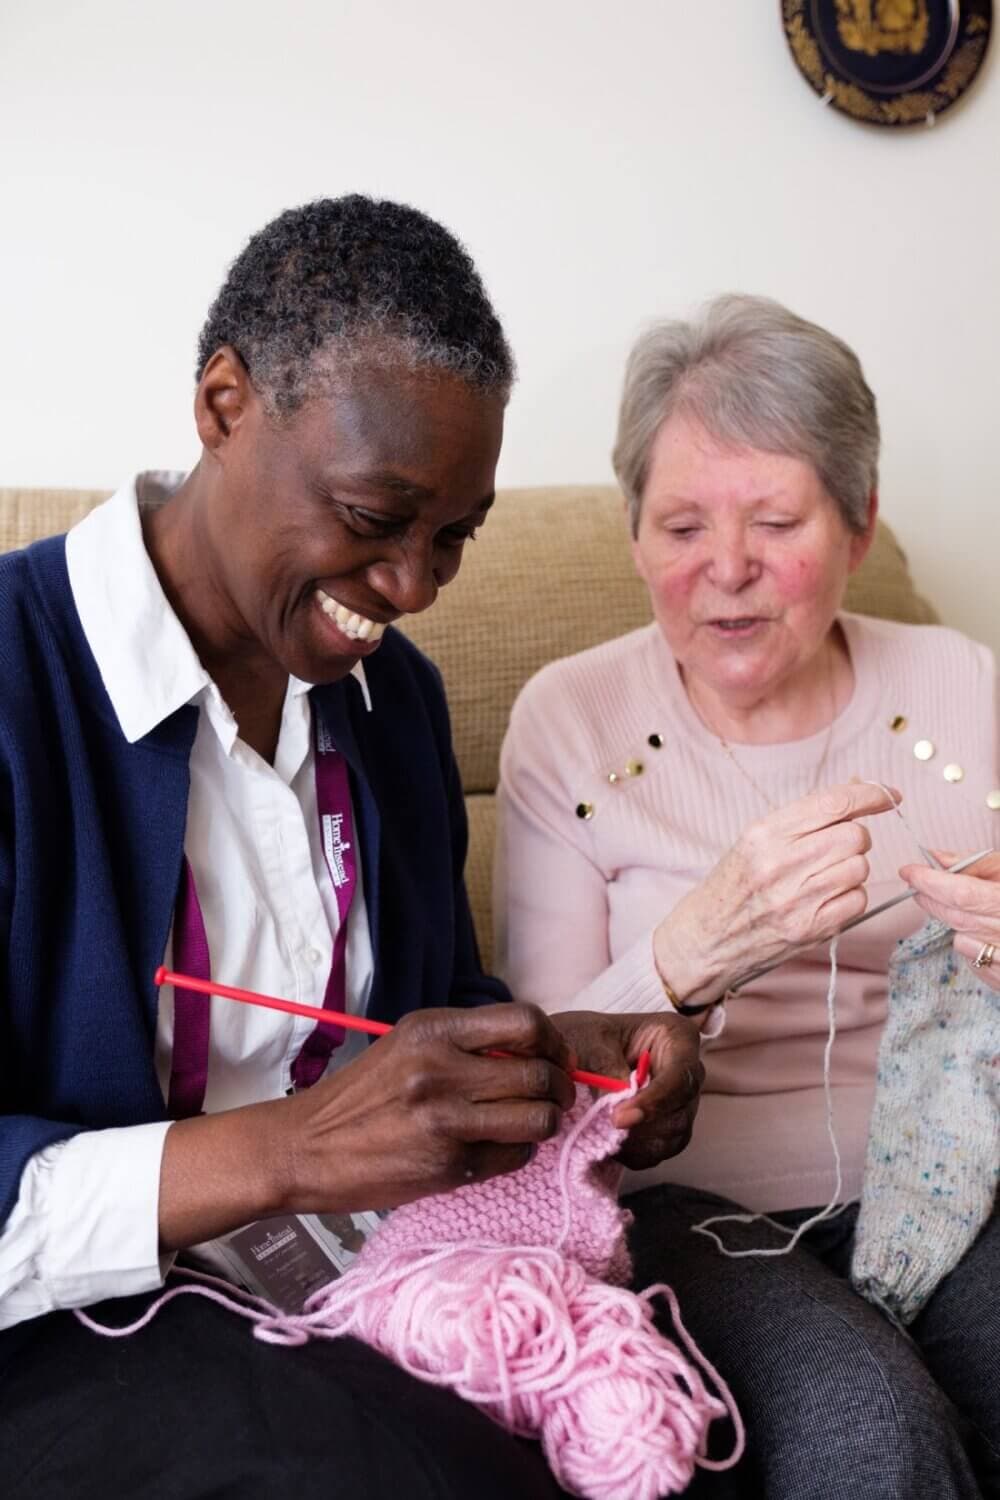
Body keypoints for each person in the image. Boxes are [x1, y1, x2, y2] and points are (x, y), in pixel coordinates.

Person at [0, 196, 704, 1500]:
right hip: (72, 1324)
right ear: (223, 405)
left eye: (454, 538)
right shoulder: (12, 679)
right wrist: (290, 1149)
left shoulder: (396, 701)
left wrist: (551, 1056)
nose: (414, 588)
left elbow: (433, 1008)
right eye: (376, 516)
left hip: (371, 1269)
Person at [496, 294, 1000, 1498]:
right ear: (630, 537)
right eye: (678, 526)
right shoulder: (568, 722)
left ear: (859, 523)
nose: (724, 570)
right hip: (693, 1207)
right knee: (874, 1442)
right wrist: (689, 950)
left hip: (958, 1180)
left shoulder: (958, 680)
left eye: (775, 521)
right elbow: (536, 1079)